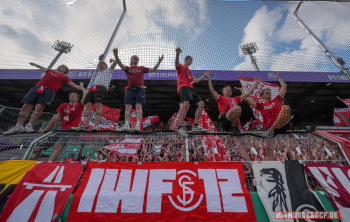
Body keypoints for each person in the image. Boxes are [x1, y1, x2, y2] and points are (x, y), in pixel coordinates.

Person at [3, 63, 85, 135]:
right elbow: (43, 68)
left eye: (63, 66)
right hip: (36, 89)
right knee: (25, 107)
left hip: (49, 91)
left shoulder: (65, 77)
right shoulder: (50, 71)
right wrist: (35, 64)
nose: (61, 65)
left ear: (65, 70)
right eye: (60, 65)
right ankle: (19, 126)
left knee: (39, 108)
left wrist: (82, 88)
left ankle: (29, 126)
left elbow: (74, 85)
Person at [114, 48, 164, 132]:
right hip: (130, 89)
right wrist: (116, 55)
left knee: (138, 107)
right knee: (128, 107)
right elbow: (120, 64)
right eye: (134, 57)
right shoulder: (127, 68)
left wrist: (159, 62)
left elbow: (153, 70)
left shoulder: (141, 68)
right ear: (131, 60)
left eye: (137, 58)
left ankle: (137, 125)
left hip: (140, 89)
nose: (136, 59)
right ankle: (126, 125)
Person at [33, 91, 87, 161]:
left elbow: (84, 99)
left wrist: (83, 90)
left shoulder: (79, 106)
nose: (71, 96)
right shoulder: (63, 105)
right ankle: (31, 162)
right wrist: (46, 128)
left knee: (57, 145)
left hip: (70, 130)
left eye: (74, 95)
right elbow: (56, 117)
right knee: (41, 145)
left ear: (77, 98)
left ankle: (49, 163)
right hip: (60, 129)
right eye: (70, 95)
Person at [72, 54, 117, 131]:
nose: (99, 65)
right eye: (99, 64)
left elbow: (116, 62)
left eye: (101, 64)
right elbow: (99, 64)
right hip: (93, 89)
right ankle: (84, 126)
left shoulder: (109, 70)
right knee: (88, 106)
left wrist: (112, 60)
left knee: (98, 106)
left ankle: (96, 126)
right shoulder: (98, 73)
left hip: (101, 88)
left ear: (105, 65)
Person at [175, 47, 210, 136]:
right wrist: (178, 54)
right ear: (186, 59)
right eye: (190, 60)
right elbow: (176, 63)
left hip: (191, 89)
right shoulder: (181, 67)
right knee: (186, 104)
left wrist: (204, 76)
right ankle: (179, 127)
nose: (191, 62)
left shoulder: (189, 72)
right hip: (184, 87)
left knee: (201, 104)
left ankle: (196, 125)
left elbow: (196, 81)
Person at [244, 71, 291, 138]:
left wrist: (278, 77)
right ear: (262, 96)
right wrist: (255, 84)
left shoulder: (277, 99)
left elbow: (284, 86)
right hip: (268, 127)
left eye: (269, 92)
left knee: (286, 107)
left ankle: (271, 130)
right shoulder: (260, 105)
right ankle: (270, 130)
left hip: (280, 125)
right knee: (269, 148)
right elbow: (245, 98)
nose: (269, 93)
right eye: (267, 92)